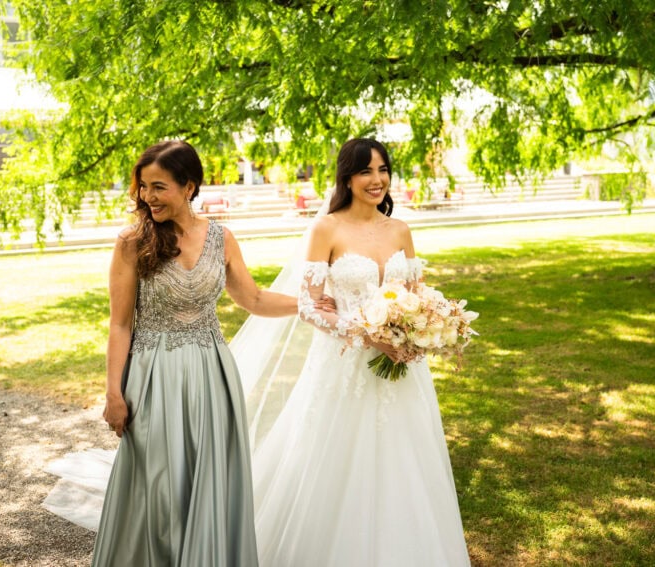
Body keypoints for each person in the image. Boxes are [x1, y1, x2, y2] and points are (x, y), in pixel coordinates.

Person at [82, 140, 331, 566]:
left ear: (188, 187)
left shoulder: (221, 238)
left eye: (158, 187)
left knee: (209, 479)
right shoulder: (131, 243)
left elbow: (251, 298)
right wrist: (113, 393)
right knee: (158, 485)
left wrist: (305, 306)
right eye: (143, 187)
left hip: (211, 374)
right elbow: (120, 323)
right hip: (154, 374)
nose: (148, 197)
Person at [248, 138, 471, 566]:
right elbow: (310, 305)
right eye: (366, 171)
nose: (377, 180)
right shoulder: (326, 228)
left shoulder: (400, 229)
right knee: (338, 461)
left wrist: (420, 329)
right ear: (347, 177)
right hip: (345, 366)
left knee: (405, 458)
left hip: (403, 366)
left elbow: (413, 294)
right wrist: (368, 334)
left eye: (383, 170)